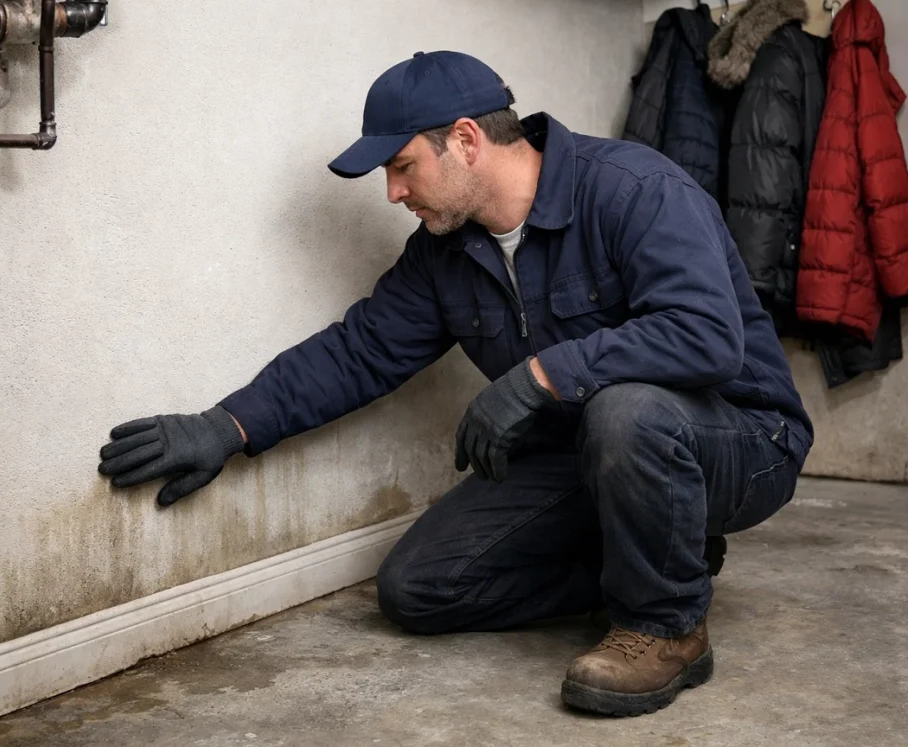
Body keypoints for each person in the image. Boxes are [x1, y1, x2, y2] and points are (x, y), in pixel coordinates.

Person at [98, 51, 813, 717]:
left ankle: (666, 623)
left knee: (628, 411)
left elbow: (706, 336)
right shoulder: (445, 252)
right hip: (591, 453)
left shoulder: (635, 189)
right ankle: (656, 554)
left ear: (466, 140)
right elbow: (358, 351)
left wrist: (540, 375)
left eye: (403, 165)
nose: (393, 191)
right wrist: (229, 425)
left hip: (742, 439)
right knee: (419, 588)